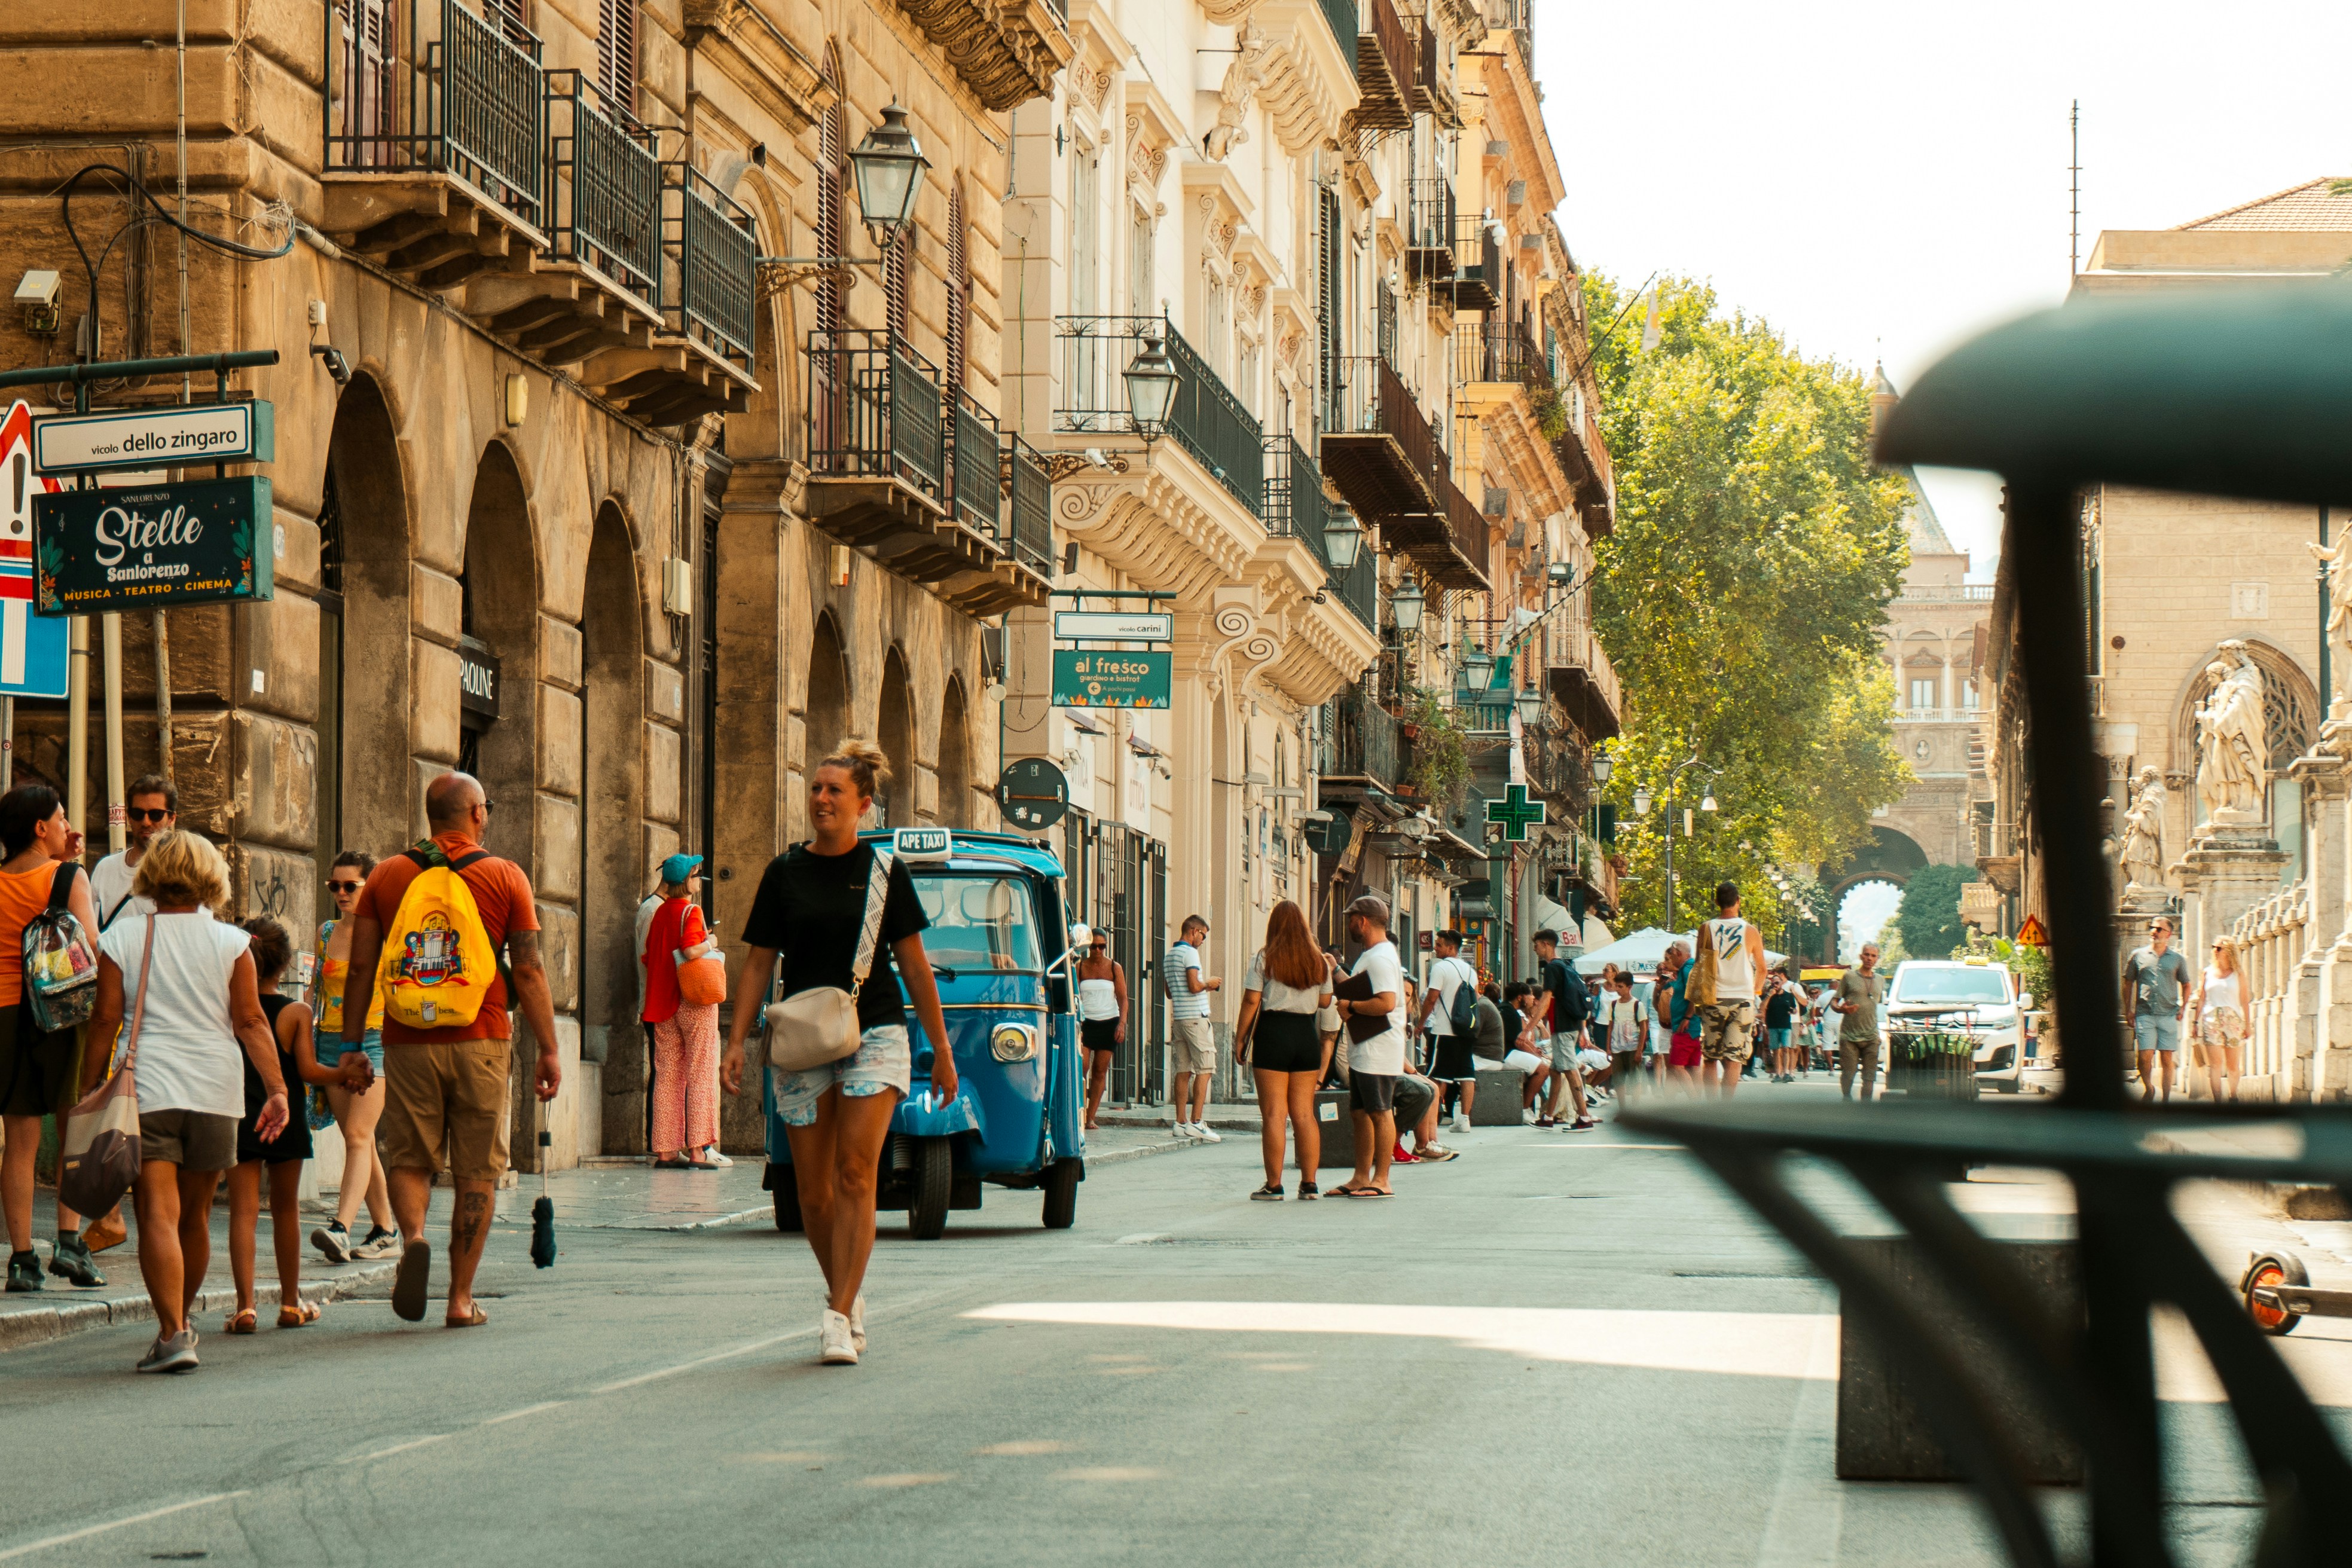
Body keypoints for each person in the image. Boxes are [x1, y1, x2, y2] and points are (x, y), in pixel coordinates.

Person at [719, 740, 954, 1367]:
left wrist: (942, 1051)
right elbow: (758, 963)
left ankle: (836, 1315)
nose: (821, 799)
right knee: (815, 1192)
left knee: (856, 1175)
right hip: (801, 1039)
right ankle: (845, 1298)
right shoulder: (783, 873)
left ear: (863, 805)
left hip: (875, 1031)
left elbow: (915, 967)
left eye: (835, 791)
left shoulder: (884, 874)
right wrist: (737, 1041)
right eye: (817, 788)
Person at [340, 772, 562, 1331]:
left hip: (407, 1037)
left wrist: (350, 1046)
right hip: (482, 1036)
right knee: (477, 1168)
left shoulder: (387, 876)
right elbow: (530, 968)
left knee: (411, 1155)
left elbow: (362, 968)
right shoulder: (505, 875)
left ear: (428, 815)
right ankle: (460, 1298)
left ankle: (412, 1239)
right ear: (478, 814)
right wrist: (550, 1048)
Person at [80, 831, 289, 1372]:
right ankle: (178, 1326)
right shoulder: (233, 943)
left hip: (150, 1087)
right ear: (210, 877)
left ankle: (173, 1331)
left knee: (158, 1213)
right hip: (216, 1091)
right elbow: (250, 1021)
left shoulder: (122, 937)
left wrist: (87, 1090)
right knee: (195, 1216)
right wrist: (277, 1089)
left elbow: (105, 1020)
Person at [224, 918, 356, 1334]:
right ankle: (289, 1301)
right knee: (286, 1211)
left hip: (241, 1112)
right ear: (284, 966)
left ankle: (245, 1306)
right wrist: (344, 1074)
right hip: (287, 1116)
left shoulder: (230, 1008)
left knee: (242, 1211)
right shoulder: (296, 1012)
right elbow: (309, 1070)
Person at [0, 784, 106, 1293]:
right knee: (72, 1132)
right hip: (62, 1012)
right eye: (62, 818)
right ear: (40, 827)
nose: (70, 826)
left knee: (18, 1142)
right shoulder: (68, 875)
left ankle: (21, 1260)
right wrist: (71, 872)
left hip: (5, 1014)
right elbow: (92, 945)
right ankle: (69, 1244)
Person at [310, 849, 398, 1264]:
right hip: (330, 1044)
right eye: (335, 886)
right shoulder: (326, 931)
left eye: (351, 886)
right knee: (357, 1141)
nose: (342, 893)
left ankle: (342, 1228)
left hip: (374, 1042)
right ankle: (386, 1229)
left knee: (360, 1138)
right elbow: (316, 991)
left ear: (370, 885)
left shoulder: (386, 932)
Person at [1232, 900, 1335, 1200]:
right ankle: (1310, 1183)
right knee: (1304, 1114)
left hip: (1273, 1034)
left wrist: (1240, 1039)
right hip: (1305, 1035)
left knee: (1275, 1114)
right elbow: (1326, 1002)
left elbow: (1252, 1001)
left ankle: (1274, 1184)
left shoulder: (1264, 958)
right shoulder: (1318, 961)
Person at [643, 854, 721, 1170]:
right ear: (686, 882)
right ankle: (699, 1151)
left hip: (661, 1005)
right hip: (692, 1002)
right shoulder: (692, 911)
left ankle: (666, 1151)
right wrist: (710, 942)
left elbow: (648, 957)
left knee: (667, 1077)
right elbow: (690, 950)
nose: (699, 879)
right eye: (696, 874)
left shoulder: (659, 913)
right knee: (701, 1073)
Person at [1333, 895, 1406, 1197]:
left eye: (1351, 918)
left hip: (1379, 1048)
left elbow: (1386, 1002)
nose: (1349, 924)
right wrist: (1336, 970)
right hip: (1365, 1047)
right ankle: (1361, 1177)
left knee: (1380, 1111)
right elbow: (1363, 987)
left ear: (1362, 921)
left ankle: (1382, 1179)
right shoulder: (1372, 955)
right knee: (1361, 1112)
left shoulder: (1380, 957)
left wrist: (1350, 1005)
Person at [1696, 884, 1769, 1098]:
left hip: (1713, 998)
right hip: (1742, 1000)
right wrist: (1753, 992)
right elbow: (1763, 969)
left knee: (1710, 1058)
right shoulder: (1750, 930)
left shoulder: (1706, 928)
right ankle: (1727, 1109)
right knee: (1734, 1058)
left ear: (1716, 902)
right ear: (1739, 901)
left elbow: (1701, 964)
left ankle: (1713, 1111)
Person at [89, 772, 174, 932]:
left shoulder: (183, 871)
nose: (146, 822)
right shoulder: (106, 868)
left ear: (172, 819)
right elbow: (91, 931)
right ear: (129, 817)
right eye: (138, 814)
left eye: (156, 815)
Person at [1530, 929, 1596, 1130]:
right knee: (1556, 1070)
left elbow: (1546, 1000)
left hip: (1563, 1026)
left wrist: (1529, 1028)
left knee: (1569, 1068)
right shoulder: (1565, 966)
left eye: (1537, 944)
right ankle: (1549, 1117)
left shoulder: (1552, 968)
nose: (1535, 948)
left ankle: (1584, 1117)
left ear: (1547, 945)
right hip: (1568, 1025)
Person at [2122, 916, 2191, 1104]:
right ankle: (2149, 1088)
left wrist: (2183, 1007)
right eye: (2152, 928)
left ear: (2168, 934)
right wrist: (2128, 1009)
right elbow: (2128, 982)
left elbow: (2187, 984)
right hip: (2145, 1013)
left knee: (2167, 1058)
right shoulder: (2138, 956)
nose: (2155, 931)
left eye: (2159, 929)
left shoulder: (2177, 959)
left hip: (2169, 1014)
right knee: (2144, 1056)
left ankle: (2166, 1100)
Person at [1166, 915, 1222, 1143]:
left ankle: (1180, 1122)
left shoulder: (1169, 955)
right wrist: (1209, 984)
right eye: (1203, 935)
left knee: (1183, 1070)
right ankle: (1197, 1122)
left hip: (1179, 1017)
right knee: (1205, 1067)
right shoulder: (1190, 953)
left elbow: (1169, 992)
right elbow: (1194, 986)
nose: (1203, 940)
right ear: (1194, 930)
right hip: (1196, 1019)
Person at [1416, 930, 1480, 1129]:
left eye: (1440, 944)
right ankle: (1465, 1120)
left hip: (1444, 1030)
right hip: (1465, 1030)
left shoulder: (1441, 968)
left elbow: (1431, 998)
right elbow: (1475, 1000)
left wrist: (1420, 1024)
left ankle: (1431, 1120)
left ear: (1451, 948)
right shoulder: (1470, 971)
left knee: (1437, 1075)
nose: (1436, 947)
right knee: (1467, 1074)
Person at [1074, 929, 1128, 1132]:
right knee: (1083, 1067)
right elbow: (1074, 996)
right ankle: (1079, 1109)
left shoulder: (1115, 967)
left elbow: (1123, 998)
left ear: (1106, 947)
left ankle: (1090, 1117)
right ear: (1088, 947)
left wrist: (1122, 1024)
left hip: (1108, 1023)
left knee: (1100, 1071)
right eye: (1094, 946)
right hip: (1087, 1023)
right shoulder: (1080, 968)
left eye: (1102, 946)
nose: (1097, 950)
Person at [2191, 936, 2246, 1102]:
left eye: (2219, 948)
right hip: (2210, 1019)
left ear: (2228, 951)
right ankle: (2217, 1101)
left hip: (2233, 1020)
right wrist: (2195, 1022)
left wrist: (2248, 1025)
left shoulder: (2238, 974)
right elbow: (2201, 998)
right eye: (2213, 947)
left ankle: (2233, 1096)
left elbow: (2244, 1000)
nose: (2215, 950)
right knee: (2214, 1064)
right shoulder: (2207, 972)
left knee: (2232, 1065)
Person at [1834, 943, 1884, 1101]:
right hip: (1850, 1036)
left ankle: (1865, 1109)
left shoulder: (1881, 980)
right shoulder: (1849, 977)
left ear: (1877, 959)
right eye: (1867, 955)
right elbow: (1834, 1003)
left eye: (1873, 956)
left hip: (1871, 1036)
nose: (1870, 958)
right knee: (1848, 1074)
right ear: (1861, 956)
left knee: (1870, 1078)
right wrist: (1843, 1010)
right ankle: (1847, 1099)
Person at [1663, 945, 1702, 1093]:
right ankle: (1700, 1102)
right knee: (1693, 1066)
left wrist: (1687, 1017)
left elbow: (1695, 994)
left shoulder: (1687, 969)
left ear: (1678, 954)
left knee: (1677, 1066)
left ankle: (1694, 1101)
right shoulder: (1687, 969)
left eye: (1671, 956)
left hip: (1685, 1026)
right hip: (1690, 1026)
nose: (1669, 960)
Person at [1605, 971, 1646, 1111]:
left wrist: (1639, 1050)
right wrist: (1608, 1048)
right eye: (1617, 986)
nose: (1617, 989)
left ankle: (1635, 1109)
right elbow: (1610, 1026)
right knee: (1619, 1080)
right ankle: (1623, 1109)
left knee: (1634, 1079)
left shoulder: (1637, 1005)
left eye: (1621, 986)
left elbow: (1643, 1027)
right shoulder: (1614, 1005)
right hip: (1617, 1047)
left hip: (1633, 1047)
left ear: (1630, 987)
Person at [1764, 970, 1801, 1084]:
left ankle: (1786, 1073)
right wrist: (1770, 996)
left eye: (1777, 983)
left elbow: (1794, 1008)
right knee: (1775, 1050)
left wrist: (1793, 1011)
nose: (1776, 985)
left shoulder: (1788, 996)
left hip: (1785, 1025)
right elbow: (1763, 1008)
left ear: (1781, 983)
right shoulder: (1770, 997)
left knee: (1786, 1049)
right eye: (1774, 983)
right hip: (1773, 1026)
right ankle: (1777, 1074)